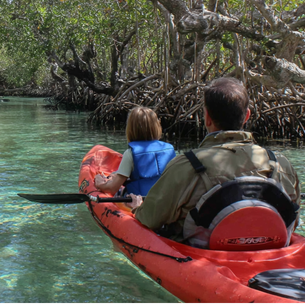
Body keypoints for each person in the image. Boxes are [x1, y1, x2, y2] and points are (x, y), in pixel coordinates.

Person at [127, 78, 300, 248]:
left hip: (202, 258)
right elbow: (294, 219)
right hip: (272, 254)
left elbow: (149, 219)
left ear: (207, 117)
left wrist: (137, 208)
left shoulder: (186, 165)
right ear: (247, 116)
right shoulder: (280, 163)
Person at [95, 107, 175, 197]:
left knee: (120, 192)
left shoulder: (130, 154)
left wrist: (99, 183)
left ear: (130, 129)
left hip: (141, 204)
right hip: (167, 202)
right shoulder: (169, 150)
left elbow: (112, 188)